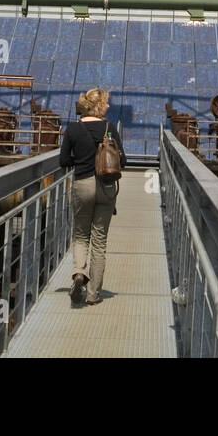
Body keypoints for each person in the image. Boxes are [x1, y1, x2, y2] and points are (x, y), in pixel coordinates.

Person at [58, 87, 126, 305]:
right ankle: (94, 295)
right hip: (106, 188)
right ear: (98, 106)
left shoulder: (73, 129)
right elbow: (122, 162)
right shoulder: (109, 128)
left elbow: (63, 161)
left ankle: (79, 272)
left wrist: (80, 161)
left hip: (82, 185)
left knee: (80, 236)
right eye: (106, 102)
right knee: (99, 242)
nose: (108, 106)